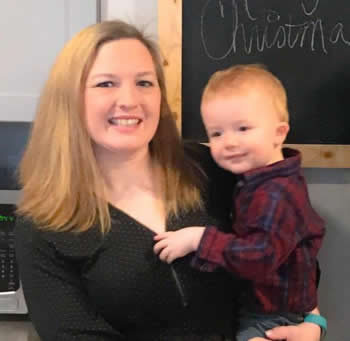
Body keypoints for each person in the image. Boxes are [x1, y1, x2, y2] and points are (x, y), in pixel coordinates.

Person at [13, 20, 323, 341]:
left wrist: (313, 322)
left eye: (145, 83)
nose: (130, 100)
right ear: (70, 99)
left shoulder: (212, 169)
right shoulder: (42, 227)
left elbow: (292, 252)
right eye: (106, 84)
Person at [153, 64, 327, 340]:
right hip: (261, 308)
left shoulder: (275, 193)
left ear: (279, 133)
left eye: (243, 128)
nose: (229, 142)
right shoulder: (255, 179)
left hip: (270, 316)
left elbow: (261, 256)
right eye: (216, 134)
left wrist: (199, 239)